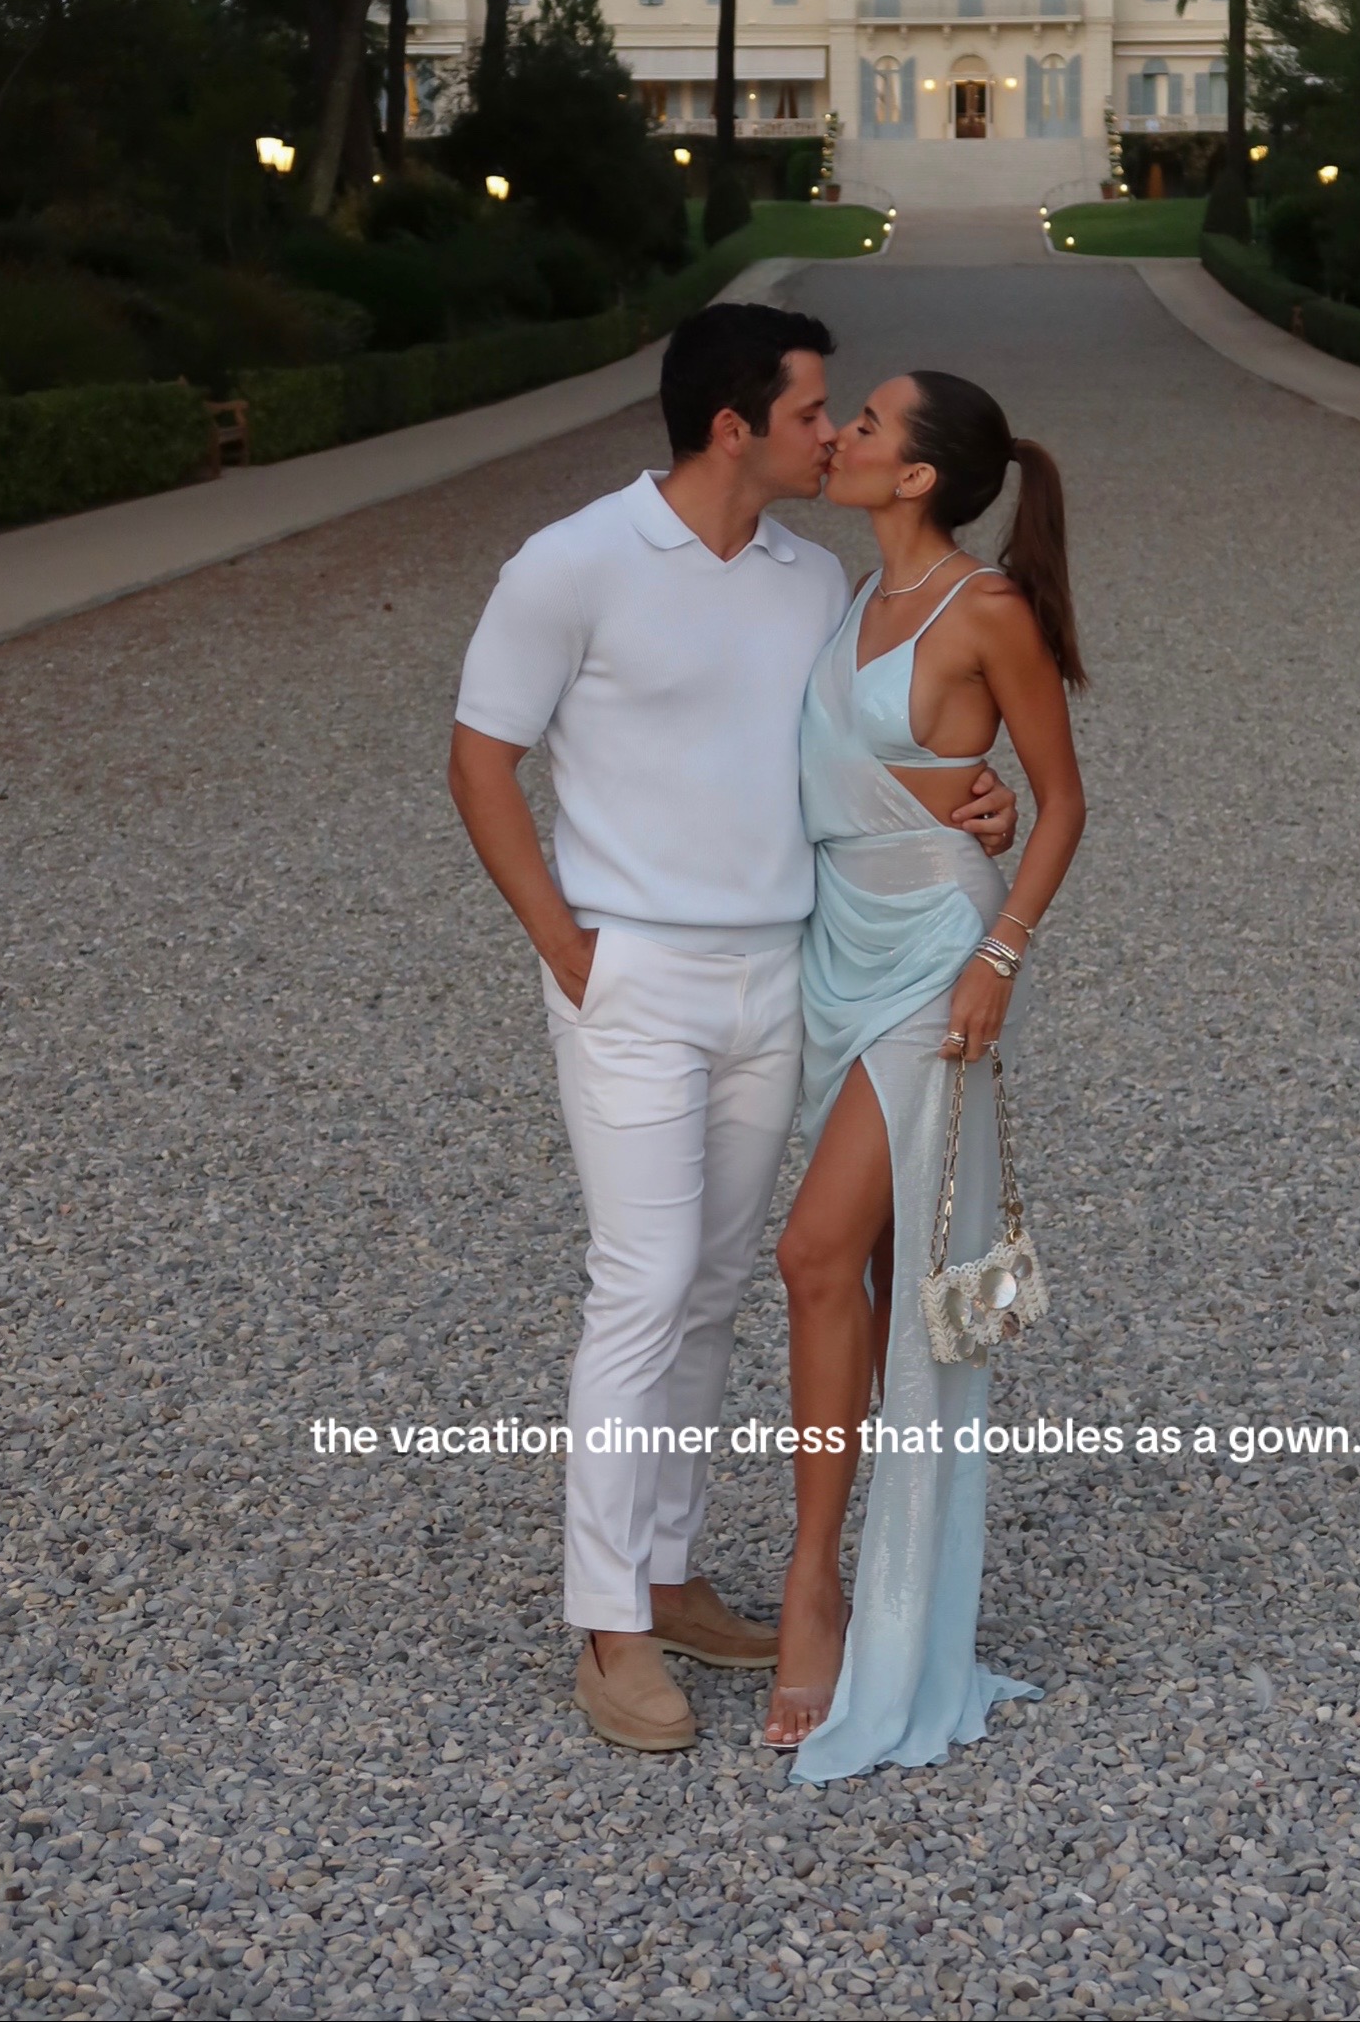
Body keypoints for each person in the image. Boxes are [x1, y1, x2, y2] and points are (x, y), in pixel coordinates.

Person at [447, 305, 1017, 1756]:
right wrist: (565, 944)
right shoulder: (571, 561)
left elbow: (863, 742)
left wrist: (972, 798)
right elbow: (480, 757)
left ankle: (669, 1569)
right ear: (731, 426)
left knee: (709, 1288)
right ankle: (607, 1623)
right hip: (631, 977)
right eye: (814, 409)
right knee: (640, 1285)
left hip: (783, 977)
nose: (831, 432)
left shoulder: (808, 578)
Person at [765, 370, 1087, 1778]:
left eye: (866, 424)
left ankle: (817, 1586)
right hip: (837, 946)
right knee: (889, 1278)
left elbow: (1061, 799)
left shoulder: (987, 608)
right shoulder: (847, 596)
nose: (838, 432)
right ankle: (892, 1577)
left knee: (812, 1253)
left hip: (937, 959)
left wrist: (999, 956)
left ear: (915, 476)